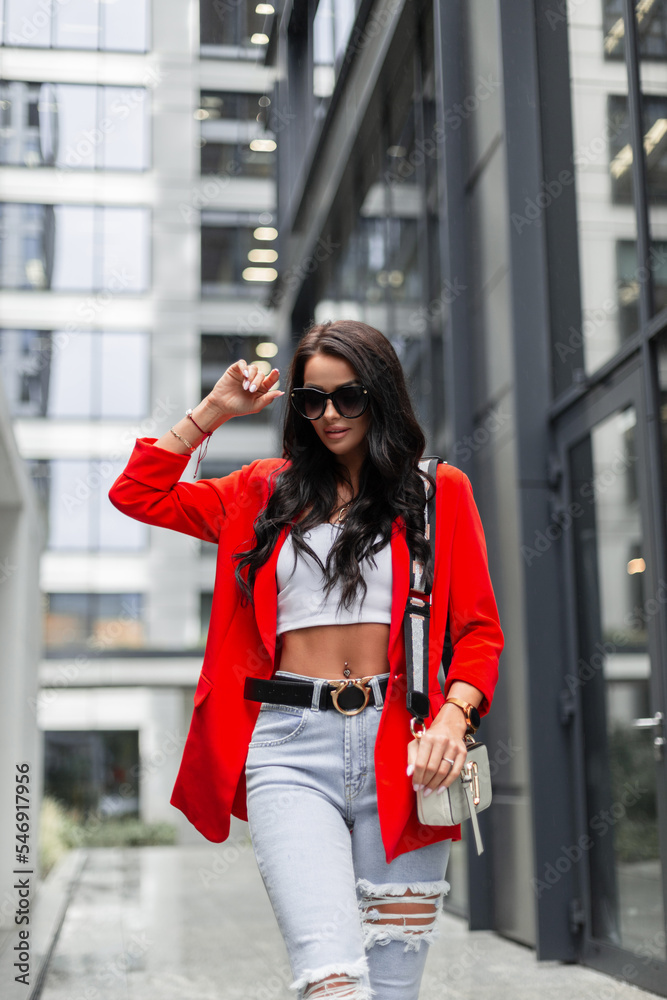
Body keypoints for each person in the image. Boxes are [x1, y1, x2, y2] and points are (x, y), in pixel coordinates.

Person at [108, 319, 504, 1000]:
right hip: (286, 750)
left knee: (393, 982)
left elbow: (477, 631)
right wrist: (214, 412)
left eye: (346, 398)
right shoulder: (263, 491)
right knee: (330, 978)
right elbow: (138, 493)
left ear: (379, 396)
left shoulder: (438, 492)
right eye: (311, 400)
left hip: (403, 750)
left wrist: (451, 718)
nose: (328, 415)